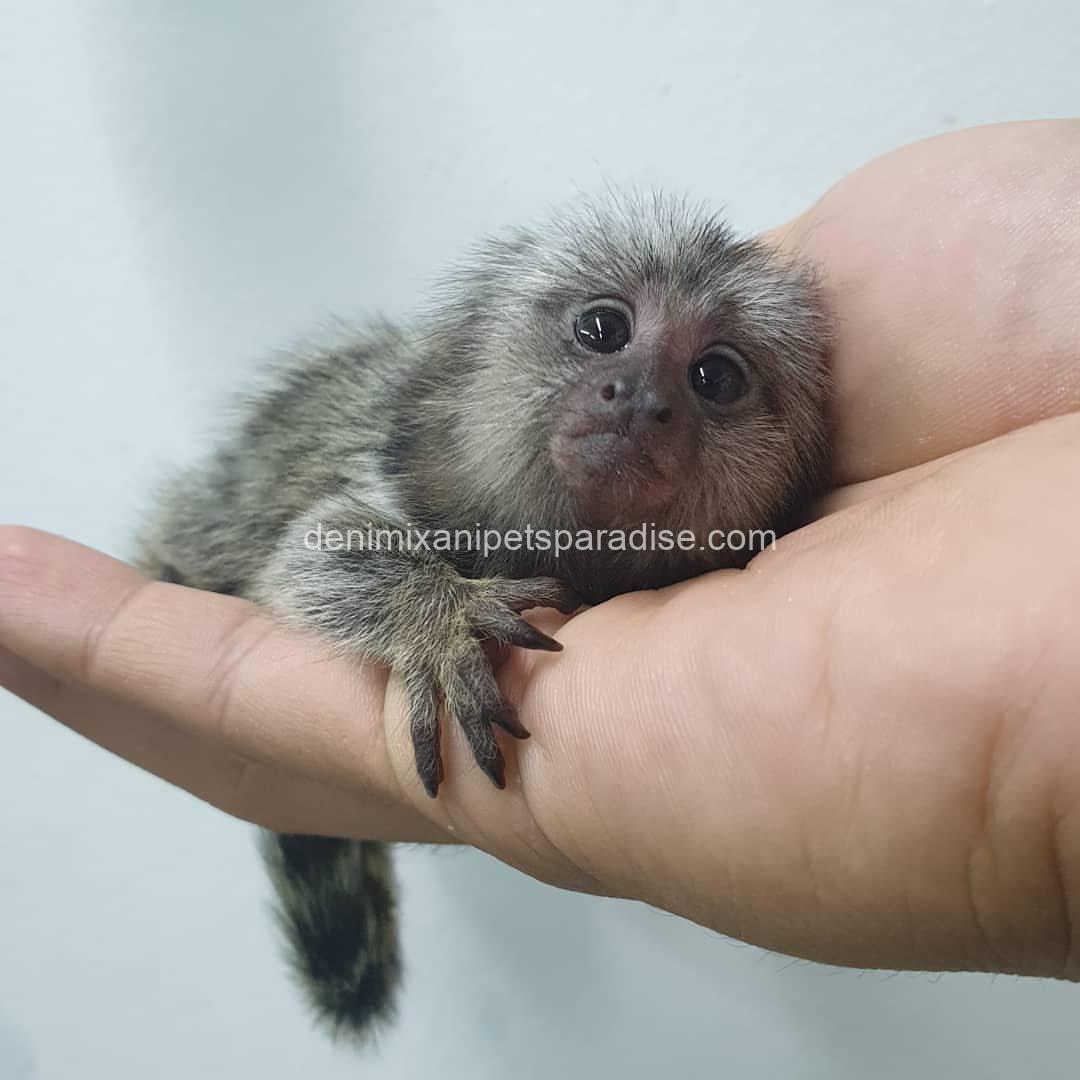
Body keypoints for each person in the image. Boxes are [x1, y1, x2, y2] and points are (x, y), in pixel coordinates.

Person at [2, 119, 1078, 981]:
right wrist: (427, 611)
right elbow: (318, 556)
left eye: (718, 380)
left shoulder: (752, 567)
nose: (641, 394)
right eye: (602, 330)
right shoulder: (427, 472)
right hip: (213, 545)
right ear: (477, 354)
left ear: (792, 483)